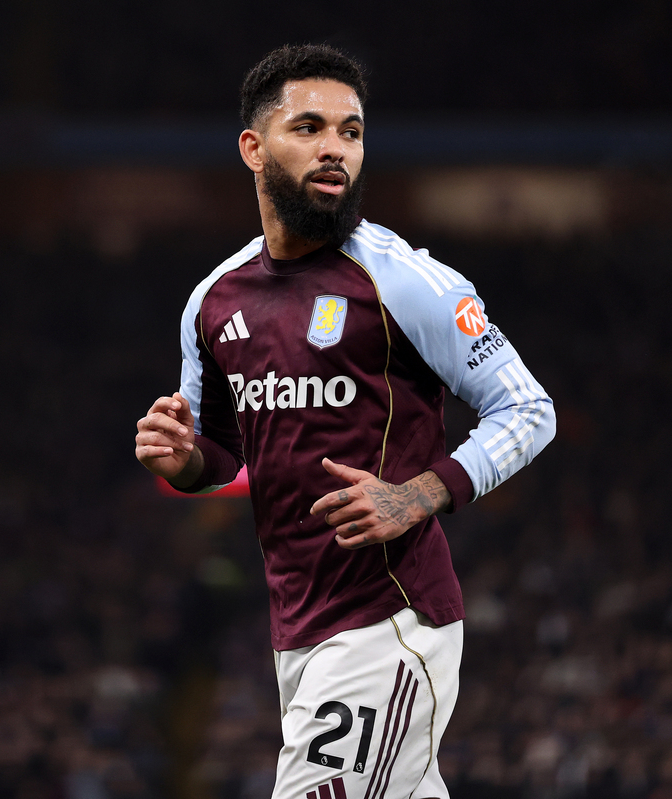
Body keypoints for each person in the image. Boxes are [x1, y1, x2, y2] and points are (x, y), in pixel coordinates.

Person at [134, 44, 555, 799]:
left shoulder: (405, 280)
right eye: (311, 127)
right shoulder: (215, 301)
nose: (336, 148)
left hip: (389, 619)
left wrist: (420, 492)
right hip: (297, 629)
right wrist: (182, 460)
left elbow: (528, 408)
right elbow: (224, 451)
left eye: (352, 132)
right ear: (254, 148)